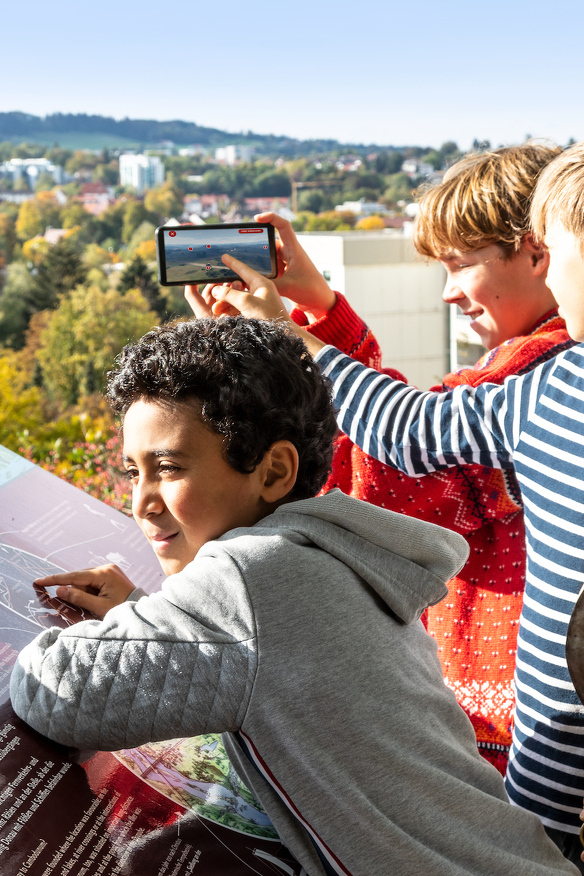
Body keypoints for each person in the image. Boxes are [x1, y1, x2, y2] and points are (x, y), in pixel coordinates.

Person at [10, 317, 577, 876]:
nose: (142, 502)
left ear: (274, 470)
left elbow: (54, 691)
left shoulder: (252, 577)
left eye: (169, 468)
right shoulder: (329, 555)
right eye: (135, 471)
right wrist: (139, 613)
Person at [206, 140, 584, 873]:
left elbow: (391, 463)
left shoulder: (544, 386)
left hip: (521, 742)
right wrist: (319, 314)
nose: (447, 290)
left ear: (539, 252)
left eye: (459, 261)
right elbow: (403, 421)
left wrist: (291, 339)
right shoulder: (535, 376)